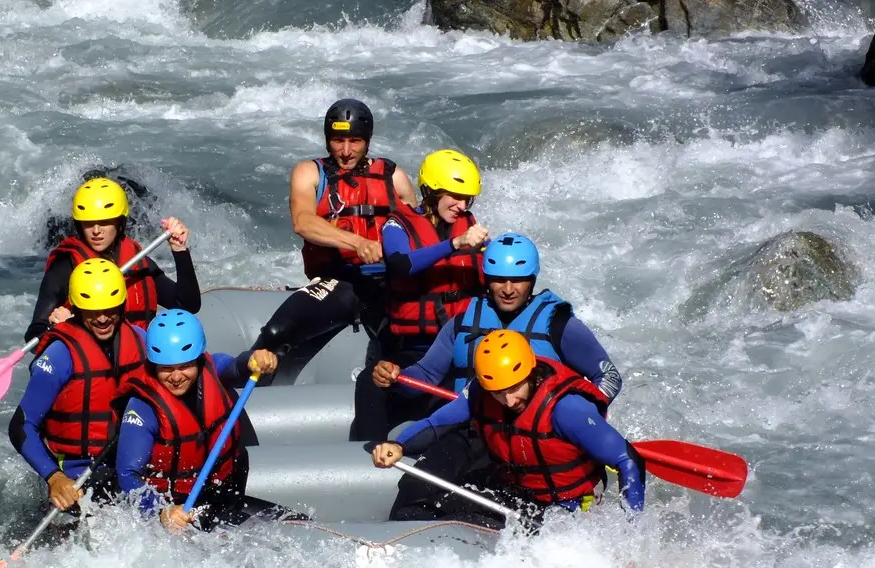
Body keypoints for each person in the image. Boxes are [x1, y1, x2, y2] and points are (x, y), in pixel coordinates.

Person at [369, 232, 624, 519]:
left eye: (517, 280)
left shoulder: (560, 325)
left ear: (532, 279)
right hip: (469, 429)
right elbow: (426, 375)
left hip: (534, 437)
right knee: (416, 489)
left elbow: (609, 375)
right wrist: (396, 376)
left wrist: (582, 420)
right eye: (499, 279)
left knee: (487, 506)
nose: (507, 289)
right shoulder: (464, 320)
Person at [370, 330, 644, 530]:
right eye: (499, 393)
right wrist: (399, 445)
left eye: (515, 388)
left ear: (531, 373)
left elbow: (627, 459)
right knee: (437, 506)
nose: (509, 401)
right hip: (518, 495)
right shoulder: (483, 393)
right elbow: (437, 423)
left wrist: (630, 533)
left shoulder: (567, 409)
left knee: (470, 521)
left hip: (567, 510)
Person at [249, 99, 418, 381]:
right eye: (338, 140)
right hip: (339, 282)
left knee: (401, 347)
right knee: (277, 332)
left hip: (388, 284)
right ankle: (241, 389)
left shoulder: (394, 177)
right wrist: (357, 243)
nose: (347, 151)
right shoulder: (309, 172)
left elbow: (416, 232)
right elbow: (302, 222)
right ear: (328, 140)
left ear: (368, 141)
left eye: (355, 141)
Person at [351, 149, 489, 441]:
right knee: (370, 382)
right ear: (431, 192)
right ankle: (365, 461)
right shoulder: (396, 225)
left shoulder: (469, 225)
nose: (462, 206)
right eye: (454, 196)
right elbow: (402, 263)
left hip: (463, 346)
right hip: (415, 350)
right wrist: (455, 244)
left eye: (467, 199)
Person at [114, 310, 290, 532]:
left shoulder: (214, 369)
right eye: (166, 368)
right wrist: (161, 511)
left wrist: (255, 359)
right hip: (177, 511)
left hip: (222, 497)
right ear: (154, 365)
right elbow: (127, 475)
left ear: (198, 360)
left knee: (294, 522)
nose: (176, 377)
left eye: (184, 366)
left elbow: (237, 366)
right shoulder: (142, 408)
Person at [9, 259, 146, 512]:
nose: (103, 318)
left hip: (129, 470)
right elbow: (21, 426)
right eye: (93, 310)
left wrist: (239, 365)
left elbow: (189, 369)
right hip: (74, 478)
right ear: (78, 309)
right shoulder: (60, 355)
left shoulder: (140, 340)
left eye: (110, 309)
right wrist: (54, 477)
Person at [25, 177, 201, 342]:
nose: (96, 230)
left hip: (135, 363)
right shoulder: (65, 266)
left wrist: (180, 251)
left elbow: (187, 305)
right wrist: (58, 326)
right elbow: (34, 334)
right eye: (88, 223)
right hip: (92, 366)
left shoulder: (138, 262)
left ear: (119, 222)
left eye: (105, 222)